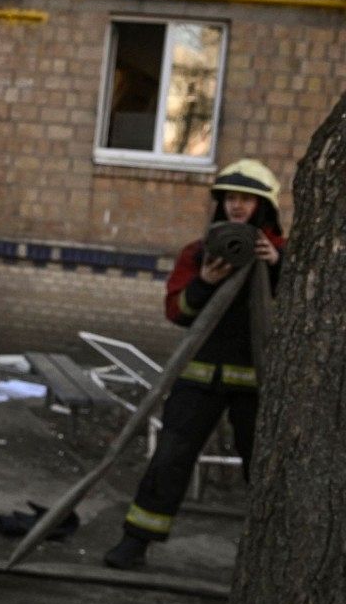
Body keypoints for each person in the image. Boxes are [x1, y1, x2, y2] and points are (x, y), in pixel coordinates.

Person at [104, 160, 285, 570]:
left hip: (258, 384)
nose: (237, 207)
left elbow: (300, 312)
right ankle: (136, 541)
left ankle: (269, 562)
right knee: (169, 457)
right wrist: (204, 280)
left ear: (264, 206)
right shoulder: (200, 252)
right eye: (230, 198)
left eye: (247, 200)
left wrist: (277, 265)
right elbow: (177, 311)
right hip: (198, 378)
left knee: (263, 467)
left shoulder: (284, 254)